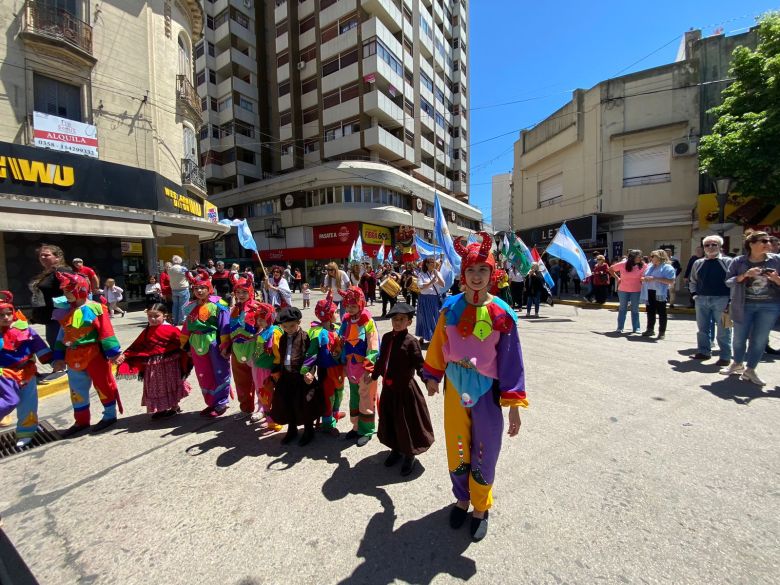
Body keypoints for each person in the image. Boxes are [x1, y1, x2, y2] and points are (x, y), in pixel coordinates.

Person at [422, 232, 527, 542]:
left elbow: (512, 362)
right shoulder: (449, 308)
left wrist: (515, 408)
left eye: (483, 270)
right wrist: (433, 376)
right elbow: (439, 345)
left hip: (488, 393)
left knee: (485, 450)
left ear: (492, 273)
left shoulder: (502, 314)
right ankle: (462, 498)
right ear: (463, 274)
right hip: (455, 387)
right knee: (457, 448)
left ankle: (480, 507)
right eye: (471, 270)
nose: (477, 276)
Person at [52, 272, 123, 435]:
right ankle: (81, 421)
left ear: (80, 289)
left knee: (103, 385)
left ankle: (110, 416)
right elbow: (61, 336)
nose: (66, 294)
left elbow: (106, 331)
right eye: (64, 291)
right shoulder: (65, 311)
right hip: (72, 356)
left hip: (94, 354)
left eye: (68, 290)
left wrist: (114, 352)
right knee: (77, 391)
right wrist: (58, 357)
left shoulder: (95, 307)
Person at [370, 302, 434, 476]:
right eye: (395, 319)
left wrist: (427, 380)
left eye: (401, 319)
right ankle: (396, 449)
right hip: (389, 389)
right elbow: (382, 360)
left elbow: (419, 365)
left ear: (409, 322)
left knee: (406, 422)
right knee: (391, 420)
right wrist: (374, 376)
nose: (397, 322)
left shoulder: (411, 341)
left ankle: (409, 454)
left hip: (405, 390)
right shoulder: (387, 338)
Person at [719, 230, 780, 386]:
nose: (769, 244)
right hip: (743, 304)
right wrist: (745, 275)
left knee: (759, 340)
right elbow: (729, 281)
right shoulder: (739, 261)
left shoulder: (777, 260)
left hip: (769, 306)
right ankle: (737, 363)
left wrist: (776, 279)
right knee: (739, 338)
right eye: (763, 241)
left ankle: (750, 370)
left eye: (769, 241)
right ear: (751, 244)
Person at [115, 304, 192, 419]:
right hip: (152, 367)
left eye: (156, 316)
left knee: (170, 385)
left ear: (164, 316)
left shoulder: (171, 329)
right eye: (150, 316)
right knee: (155, 388)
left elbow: (183, 343)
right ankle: (160, 408)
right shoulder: (146, 331)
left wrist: (190, 351)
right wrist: (125, 355)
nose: (153, 319)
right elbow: (137, 346)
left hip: (170, 365)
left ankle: (174, 407)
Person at [0, 291, 56, 448]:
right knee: (10, 400)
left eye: (8, 314)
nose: (5, 317)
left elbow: (39, 347)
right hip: (4, 374)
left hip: (27, 372)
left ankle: (26, 433)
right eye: (1, 315)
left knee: (28, 405)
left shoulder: (26, 330)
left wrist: (53, 362)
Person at [180, 270, 232, 417]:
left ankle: (221, 403)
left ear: (209, 288)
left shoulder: (219, 304)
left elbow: (224, 326)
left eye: (202, 288)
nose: (199, 291)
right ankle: (211, 402)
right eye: (196, 288)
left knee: (219, 372)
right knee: (203, 374)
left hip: (214, 343)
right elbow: (186, 327)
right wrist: (186, 345)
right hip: (196, 344)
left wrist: (225, 345)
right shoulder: (190, 306)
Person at [272, 307, 322, 446]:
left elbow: (311, 356)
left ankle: (308, 430)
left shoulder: (305, 337)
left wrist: (310, 372)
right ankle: (292, 428)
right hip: (287, 377)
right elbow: (281, 357)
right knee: (287, 403)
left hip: (301, 378)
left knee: (305, 404)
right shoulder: (282, 338)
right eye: (285, 326)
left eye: (292, 325)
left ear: (299, 322)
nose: (289, 329)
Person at [338, 286, 379, 446]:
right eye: (347, 306)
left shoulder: (368, 322)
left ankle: (367, 430)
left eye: (353, 305)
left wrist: (370, 368)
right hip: (351, 367)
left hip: (364, 369)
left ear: (361, 304)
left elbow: (374, 346)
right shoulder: (346, 321)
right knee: (354, 399)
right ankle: (356, 427)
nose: (350, 308)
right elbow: (341, 341)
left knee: (366, 400)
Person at [302, 291, 345, 436]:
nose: (338, 313)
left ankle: (335, 414)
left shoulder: (338, 329)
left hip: (339, 369)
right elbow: (311, 353)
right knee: (329, 395)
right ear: (328, 314)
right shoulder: (317, 333)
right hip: (326, 371)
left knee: (339, 393)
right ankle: (327, 423)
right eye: (335, 311)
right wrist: (306, 370)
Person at [688, 236, 732, 364]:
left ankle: (725, 356)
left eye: (714, 244)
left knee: (725, 328)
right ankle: (704, 352)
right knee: (702, 328)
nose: (710, 247)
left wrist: (731, 300)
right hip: (701, 299)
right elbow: (693, 281)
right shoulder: (698, 263)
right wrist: (695, 295)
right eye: (707, 245)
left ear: (720, 246)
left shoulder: (728, 262)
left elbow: (735, 282)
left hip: (723, 299)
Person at [223, 277, 262, 419]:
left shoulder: (258, 307)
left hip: (254, 348)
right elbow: (229, 329)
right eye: (238, 292)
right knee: (241, 381)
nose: (241, 294)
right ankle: (246, 408)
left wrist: (257, 337)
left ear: (251, 291)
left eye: (244, 291)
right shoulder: (234, 309)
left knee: (259, 381)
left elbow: (266, 326)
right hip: (237, 349)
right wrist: (226, 346)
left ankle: (262, 409)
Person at [30, 244, 71, 349]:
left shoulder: (62, 271)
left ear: (57, 257)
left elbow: (72, 293)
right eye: (40, 256)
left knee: (61, 352)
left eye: (46, 255)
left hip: (60, 319)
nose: (42, 257)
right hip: (50, 318)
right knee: (57, 350)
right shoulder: (48, 273)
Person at [250, 302, 283, 432]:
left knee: (270, 394)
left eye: (263, 318)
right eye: (258, 318)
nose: (260, 321)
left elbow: (278, 351)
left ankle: (274, 420)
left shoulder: (274, 332)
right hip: (259, 367)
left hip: (268, 369)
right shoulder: (264, 331)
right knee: (263, 394)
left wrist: (276, 367)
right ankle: (270, 418)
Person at [640, 250, 677, 340]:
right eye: (651, 256)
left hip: (660, 292)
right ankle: (650, 329)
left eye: (653, 256)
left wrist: (655, 278)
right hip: (649, 291)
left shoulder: (667, 267)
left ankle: (661, 332)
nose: (651, 258)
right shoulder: (649, 266)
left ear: (660, 257)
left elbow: (671, 281)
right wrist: (644, 279)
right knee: (650, 311)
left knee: (662, 313)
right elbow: (643, 277)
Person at [609, 250, 646, 334]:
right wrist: (617, 278)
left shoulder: (643, 265)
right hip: (623, 290)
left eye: (641, 256)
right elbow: (610, 269)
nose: (641, 258)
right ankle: (620, 327)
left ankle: (636, 328)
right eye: (639, 256)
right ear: (633, 257)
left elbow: (648, 273)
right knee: (622, 309)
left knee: (635, 309)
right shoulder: (623, 264)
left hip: (636, 290)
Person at [415, 257, 445, 344]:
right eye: (431, 263)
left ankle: (433, 337)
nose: (433, 264)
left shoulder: (438, 273)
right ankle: (423, 336)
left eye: (434, 263)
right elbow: (420, 286)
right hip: (424, 299)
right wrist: (431, 282)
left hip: (435, 299)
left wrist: (437, 277)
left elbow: (443, 285)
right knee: (424, 318)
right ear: (427, 264)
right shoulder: (421, 274)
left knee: (434, 318)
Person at [167, 256, 191, 326]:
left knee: (175, 305)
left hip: (174, 289)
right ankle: (181, 320)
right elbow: (189, 277)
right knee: (183, 305)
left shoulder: (170, 269)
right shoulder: (183, 268)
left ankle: (175, 320)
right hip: (183, 288)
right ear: (180, 261)